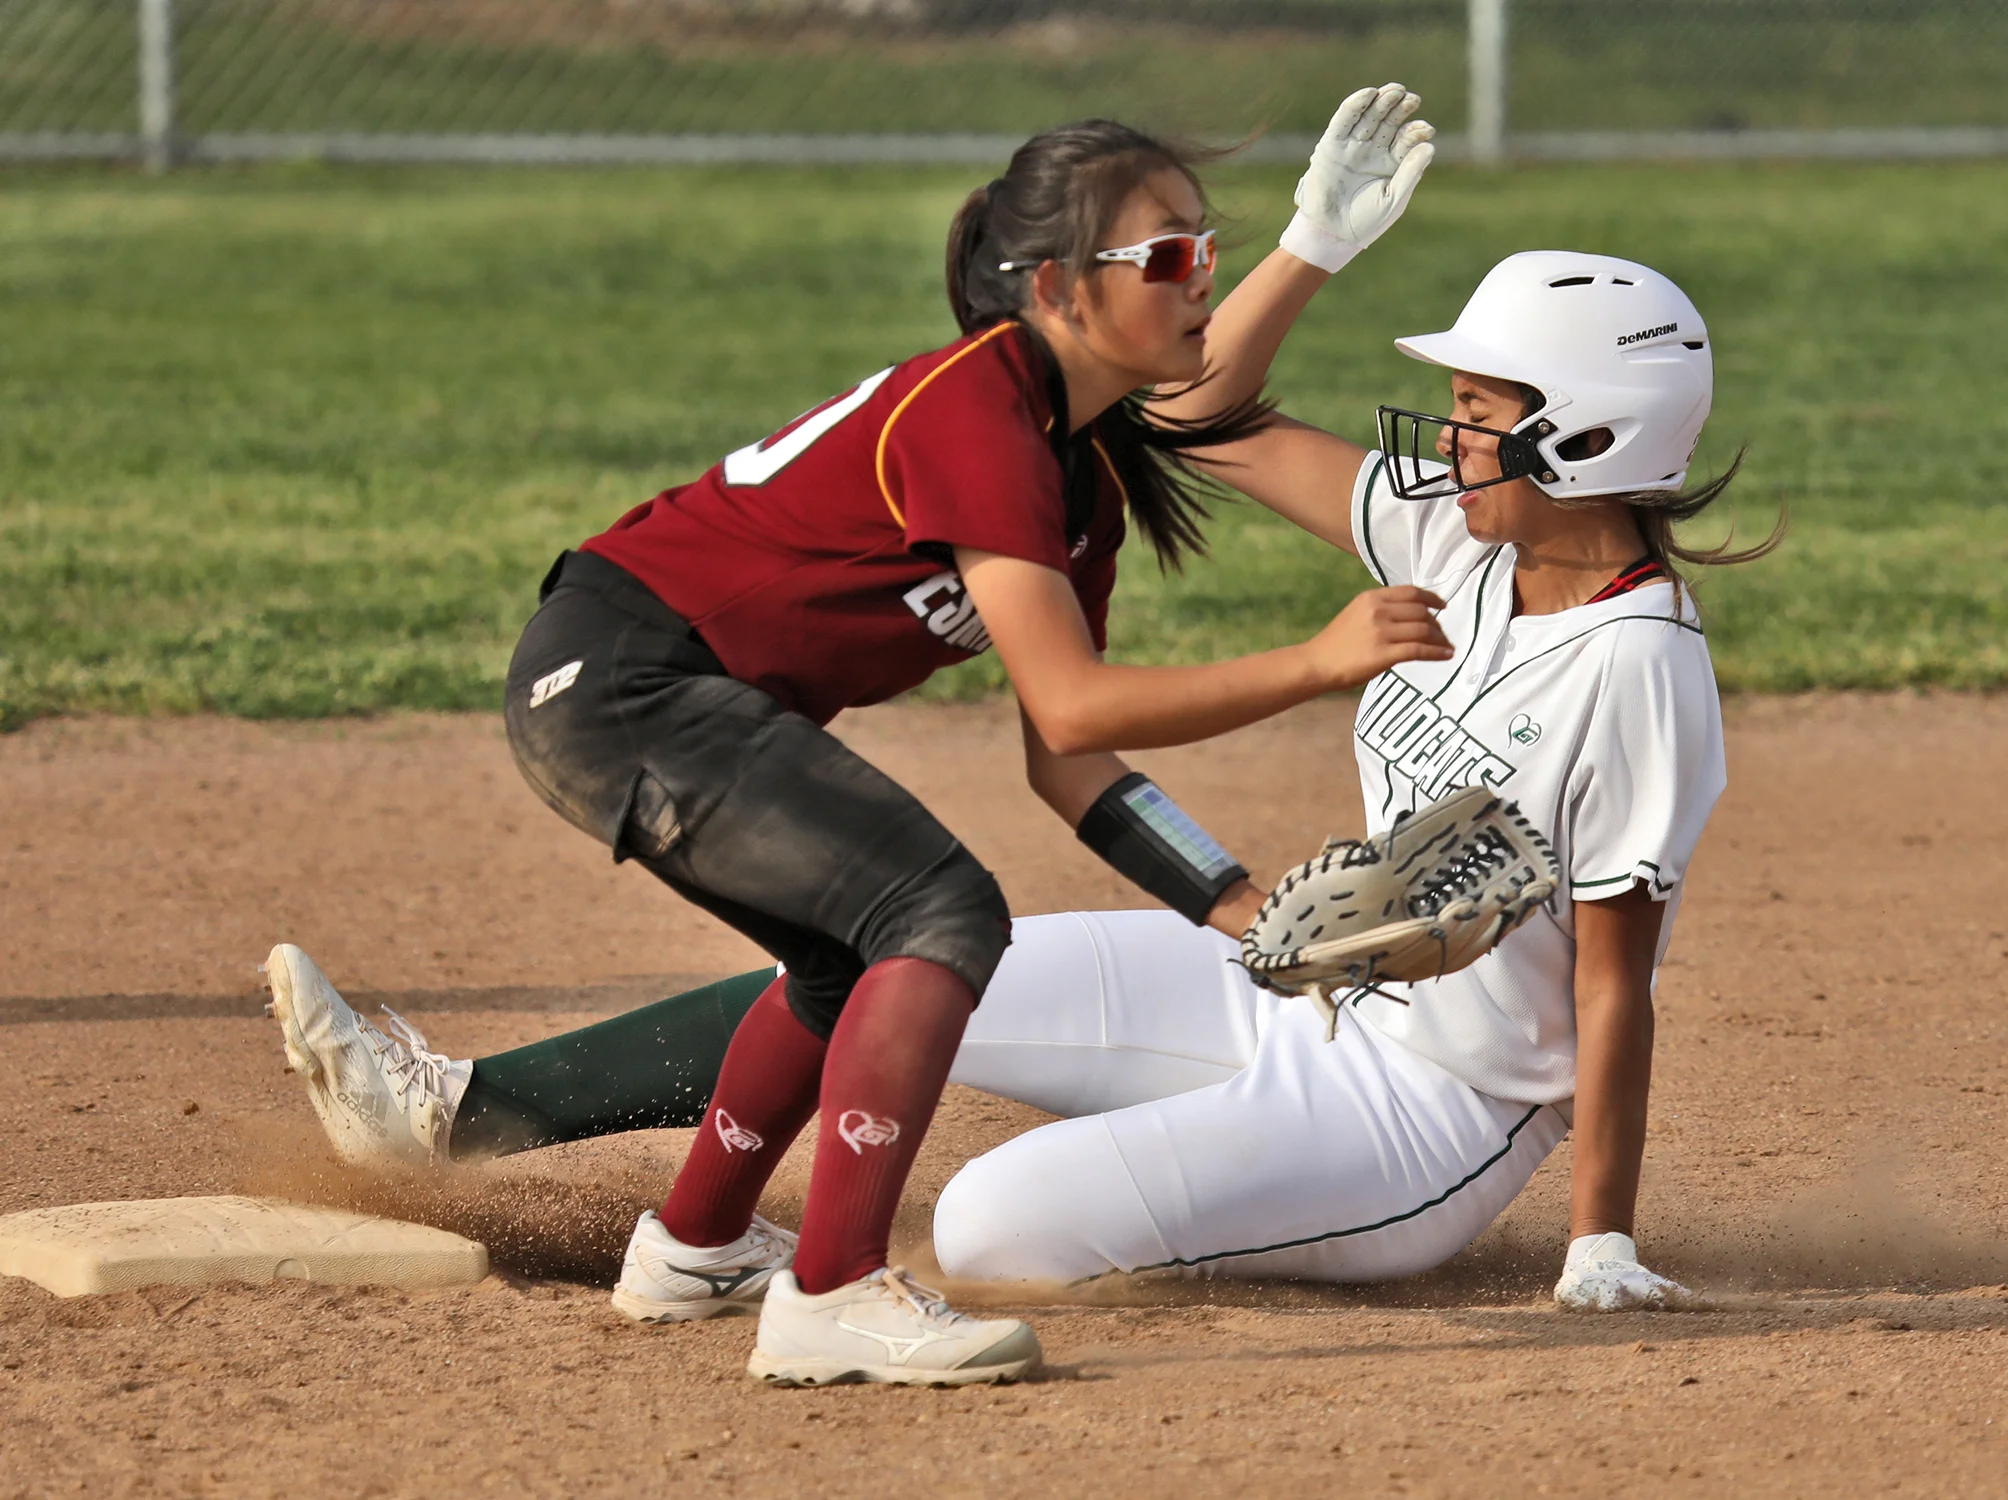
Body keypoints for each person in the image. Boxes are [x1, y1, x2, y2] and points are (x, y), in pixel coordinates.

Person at [269, 89, 1772, 1333]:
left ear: (1589, 440)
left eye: (1483, 406)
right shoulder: (1450, 536)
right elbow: (1187, 407)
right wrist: (1311, 246)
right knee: (896, 970)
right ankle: (471, 1107)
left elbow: (1608, 988)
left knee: (994, 1219)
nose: (1446, 430)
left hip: (1435, 1109)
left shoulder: (1638, 671)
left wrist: (1598, 1242)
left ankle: (797, 1265)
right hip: (1293, 991)